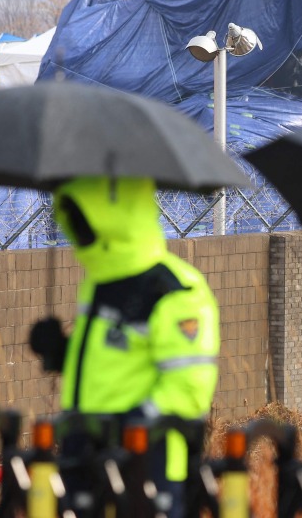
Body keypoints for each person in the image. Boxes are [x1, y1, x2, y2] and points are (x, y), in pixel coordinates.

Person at [28, 176, 219, 518]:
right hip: (85, 448)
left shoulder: (174, 290)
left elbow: (189, 385)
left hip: (147, 457)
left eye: (82, 222)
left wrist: (132, 425)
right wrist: (63, 353)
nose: (76, 233)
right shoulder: (99, 283)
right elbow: (112, 361)